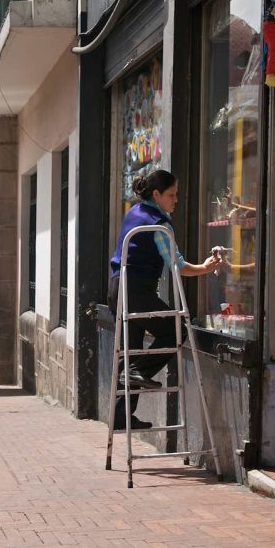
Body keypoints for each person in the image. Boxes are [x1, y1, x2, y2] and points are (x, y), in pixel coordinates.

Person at [108, 170, 219, 429]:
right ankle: (140, 371)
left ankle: (120, 417)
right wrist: (205, 267)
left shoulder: (133, 212)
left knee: (129, 350)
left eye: (176, 194)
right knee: (177, 327)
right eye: (171, 195)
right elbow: (176, 265)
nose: (176, 200)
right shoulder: (159, 224)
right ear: (156, 194)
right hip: (136, 290)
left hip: (117, 288)